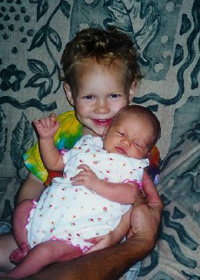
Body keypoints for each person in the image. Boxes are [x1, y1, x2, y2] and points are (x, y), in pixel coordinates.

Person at [0, 27, 162, 278]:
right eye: (89, 96)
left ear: (131, 90)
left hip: (91, 242)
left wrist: (114, 237)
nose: (102, 108)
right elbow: (34, 181)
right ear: (70, 93)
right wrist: (26, 229)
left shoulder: (140, 146)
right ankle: (27, 254)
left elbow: (135, 204)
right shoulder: (62, 130)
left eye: (113, 95)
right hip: (43, 225)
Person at [1, 105, 161, 279]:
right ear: (107, 130)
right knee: (22, 208)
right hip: (46, 215)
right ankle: (26, 248)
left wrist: (97, 184)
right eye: (121, 133)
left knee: (45, 251)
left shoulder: (131, 166)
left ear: (145, 154)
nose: (126, 142)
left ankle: (15, 275)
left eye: (137, 144)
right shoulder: (86, 145)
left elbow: (130, 194)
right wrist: (46, 139)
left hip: (77, 233)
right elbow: (54, 163)